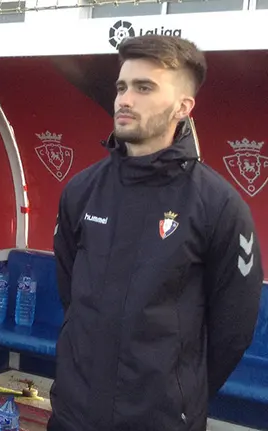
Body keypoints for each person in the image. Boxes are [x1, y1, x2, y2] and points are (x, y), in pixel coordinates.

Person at [49, 35, 264, 431]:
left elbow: (233, 329)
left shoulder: (218, 205)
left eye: (144, 88)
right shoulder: (81, 191)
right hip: (73, 415)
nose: (125, 99)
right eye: (122, 87)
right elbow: (70, 294)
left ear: (183, 107)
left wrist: (179, 394)